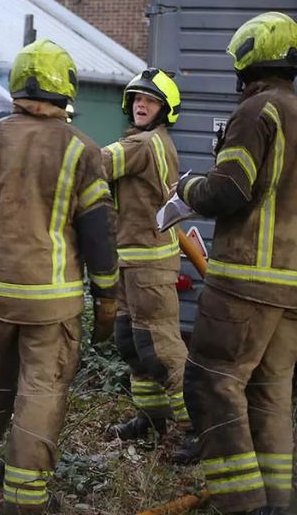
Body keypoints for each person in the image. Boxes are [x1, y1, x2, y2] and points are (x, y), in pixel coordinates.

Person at [0, 38, 118, 515]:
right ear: (66, 89)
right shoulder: (82, 150)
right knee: (41, 392)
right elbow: (99, 234)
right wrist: (107, 299)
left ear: (17, 85)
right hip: (52, 301)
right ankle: (25, 498)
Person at [175, 12, 297, 515]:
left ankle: (242, 504)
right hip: (295, 292)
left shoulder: (255, 113)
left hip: (245, 286)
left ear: (247, 61)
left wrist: (184, 188)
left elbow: (227, 190)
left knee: (211, 384)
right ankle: (276, 502)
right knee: (271, 394)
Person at [101, 68, 192, 447]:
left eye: (150, 100)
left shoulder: (142, 145)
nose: (141, 104)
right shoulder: (149, 141)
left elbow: (94, 164)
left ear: (164, 109)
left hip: (148, 266)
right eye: (137, 98)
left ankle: (198, 427)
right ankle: (152, 419)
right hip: (130, 263)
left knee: (162, 350)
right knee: (131, 342)